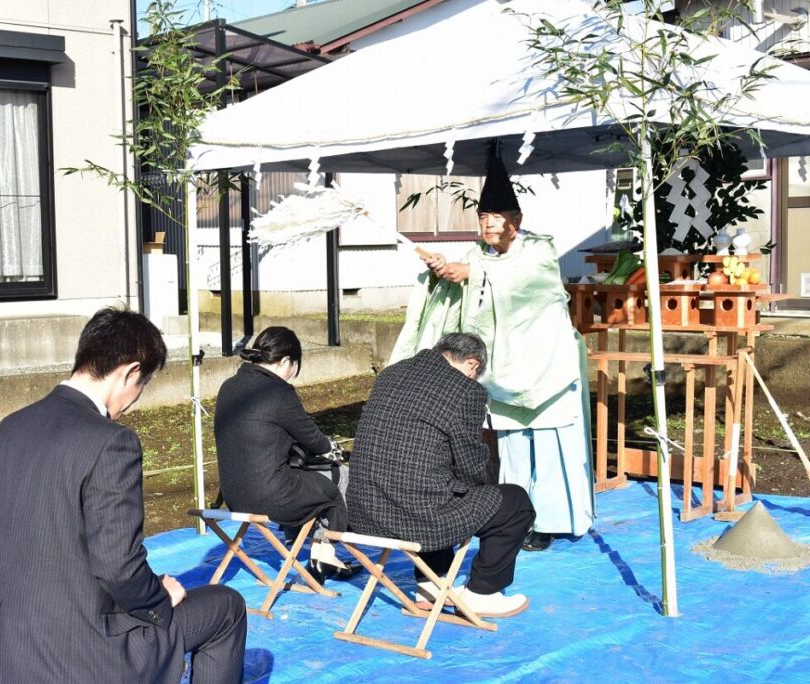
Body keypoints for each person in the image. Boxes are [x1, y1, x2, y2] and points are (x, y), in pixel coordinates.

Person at [0, 307, 247, 684]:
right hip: (84, 656)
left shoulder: (11, 426)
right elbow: (117, 565)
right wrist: (158, 599)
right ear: (130, 372)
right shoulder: (110, 441)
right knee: (226, 606)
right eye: (142, 386)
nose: (134, 401)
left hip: (5, 651)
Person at [392, 145, 595, 552]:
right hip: (503, 371)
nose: (488, 223)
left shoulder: (539, 250)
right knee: (514, 446)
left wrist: (473, 272)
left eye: (497, 216)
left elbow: (525, 282)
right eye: (483, 216)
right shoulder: (475, 256)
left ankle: (553, 520)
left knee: (552, 444)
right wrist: (443, 274)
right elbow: (469, 291)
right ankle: (517, 516)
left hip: (546, 367)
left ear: (516, 221)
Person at [348, 333, 534, 618]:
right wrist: (483, 492)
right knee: (515, 503)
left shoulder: (391, 373)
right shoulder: (465, 390)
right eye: (476, 374)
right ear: (472, 364)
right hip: (415, 517)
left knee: (431, 482)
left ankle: (430, 585)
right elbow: (471, 463)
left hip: (364, 511)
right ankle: (482, 593)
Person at [215, 326, 358, 583]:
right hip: (270, 496)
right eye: (295, 366)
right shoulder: (278, 391)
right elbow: (313, 440)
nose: (293, 374)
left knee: (303, 481)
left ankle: (307, 545)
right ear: (286, 362)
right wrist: (332, 450)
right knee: (335, 482)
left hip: (234, 495)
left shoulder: (229, 386)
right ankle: (324, 555)